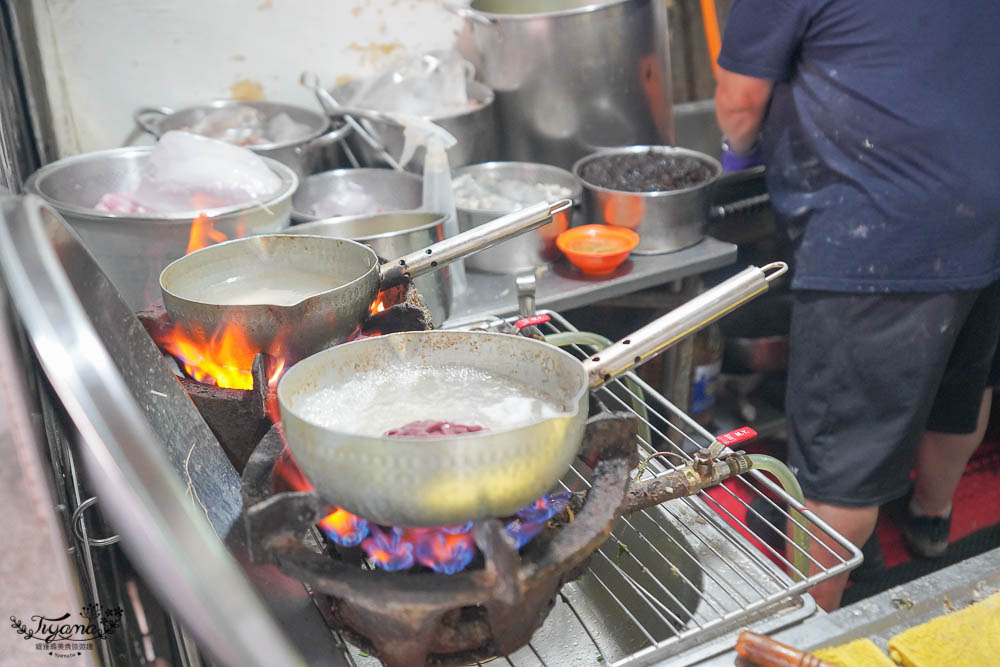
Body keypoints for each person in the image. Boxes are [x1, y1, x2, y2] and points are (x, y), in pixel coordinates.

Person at [713, 1, 1000, 611]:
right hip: (986, 199)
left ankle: (811, 624)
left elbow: (739, 107)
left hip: (882, 230)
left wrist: (736, 157)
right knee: (962, 379)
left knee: (839, 471)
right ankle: (930, 518)